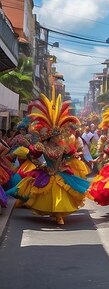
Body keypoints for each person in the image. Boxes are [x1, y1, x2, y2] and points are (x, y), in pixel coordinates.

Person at [7, 93, 89, 225]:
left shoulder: (63, 147)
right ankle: (54, 213)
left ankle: (59, 215)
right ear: (51, 137)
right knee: (47, 194)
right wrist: (39, 165)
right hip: (47, 172)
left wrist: (70, 159)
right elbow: (31, 155)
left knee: (61, 193)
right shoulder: (42, 146)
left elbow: (70, 155)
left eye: (59, 136)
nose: (59, 138)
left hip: (60, 172)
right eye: (57, 136)